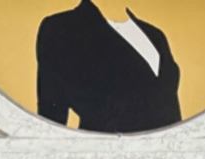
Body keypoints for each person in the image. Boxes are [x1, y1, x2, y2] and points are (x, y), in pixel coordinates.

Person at [36, 1, 183, 132]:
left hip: (166, 155)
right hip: (106, 153)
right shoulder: (62, 28)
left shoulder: (155, 35)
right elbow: (51, 115)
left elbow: (171, 107)